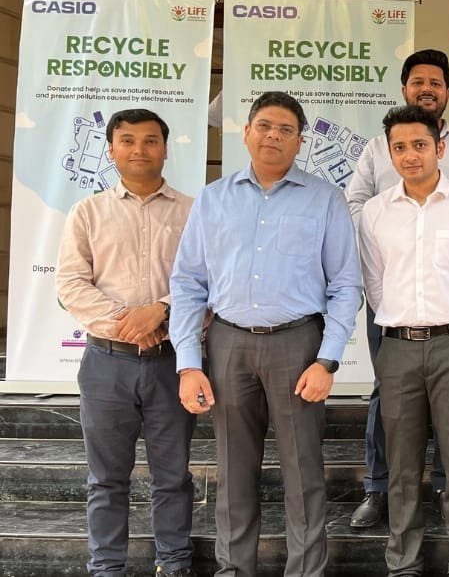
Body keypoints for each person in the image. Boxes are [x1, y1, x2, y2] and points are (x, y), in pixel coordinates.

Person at [170, 91, 363, 577]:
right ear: (247, 133)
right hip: (228, 343)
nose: (273, 136)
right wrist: (189, 364)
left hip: (298, 345)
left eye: (285, 130)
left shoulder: (324, 199)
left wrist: (327, 359)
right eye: (265, 126)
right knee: (233, 470)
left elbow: (345, 284)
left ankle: (307, 571)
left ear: (300, 142)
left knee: (303, 470)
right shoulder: (214, 198)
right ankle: (234, 569)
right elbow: (188, 283)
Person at [345, 48, 449, 528]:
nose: (426, 89)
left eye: (435, 82)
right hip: (394, 304)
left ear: (448, 91)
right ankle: (378, 487)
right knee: (385, 401)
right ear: (404, 88)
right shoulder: (376, 148)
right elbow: (356, 205)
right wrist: (390, 228)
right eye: (417, 81)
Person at [56, 109, 196, 577]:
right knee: (106, 478)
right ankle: (106, 567)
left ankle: (173, 563)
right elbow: (71, 284)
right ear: (111, 150)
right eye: (128, 140)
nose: (140, 149)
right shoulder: (88, 212)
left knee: (172, 476)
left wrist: (162, 310)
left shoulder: (193, 212)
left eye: (151, 140)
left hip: (171, 361)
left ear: (165, 149)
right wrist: (128, 322)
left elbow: (209, 281)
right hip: (106, 364)